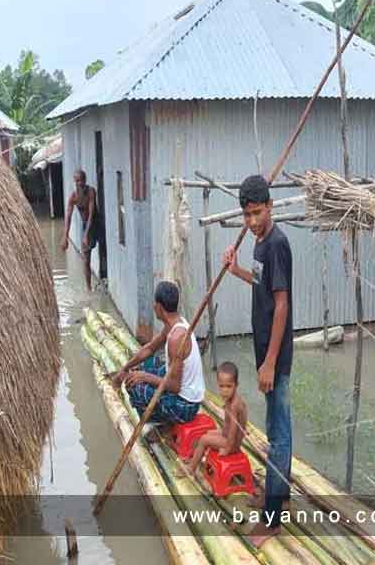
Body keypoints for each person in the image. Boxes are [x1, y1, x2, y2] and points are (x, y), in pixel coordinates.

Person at [221, 174, 293, 548]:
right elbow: (263, 285)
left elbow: (281, 305)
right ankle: (275, 497)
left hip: (275, 356)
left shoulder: (277, 244)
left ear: (270, 206)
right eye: (246, 215)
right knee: (275, 427)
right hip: (265, 348)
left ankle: (274, 518)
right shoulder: (260, 244)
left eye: (257, 213)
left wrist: (268, 363)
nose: (250, 222)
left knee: (279, 437)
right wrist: (236, 271)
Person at [111, 281, 204, 429]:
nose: (153, 307)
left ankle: (160, 423)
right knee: (147, 364)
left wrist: (144, 377)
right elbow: (149, 349)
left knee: (134, 386)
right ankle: (161, 417)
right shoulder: (173, 325)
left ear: (159, 307)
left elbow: (175, 386)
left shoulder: (176, 338)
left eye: (155, 304)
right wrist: (125, 368)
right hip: (180, 388)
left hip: (185, 405)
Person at [177, 362, 247, 481]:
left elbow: (234, 430)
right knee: (207, 434)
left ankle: (191, 468)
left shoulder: (235, 404)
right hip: (227, 435)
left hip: (232, 442)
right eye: (221, 386)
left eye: (228, 386)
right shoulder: (230, 400)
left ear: (236, 385)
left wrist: (228, 448)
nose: (225, 390)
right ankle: (195, 458)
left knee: (204, 440)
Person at [61, 170, 97, 290]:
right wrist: (65, 237)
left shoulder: (91, 191)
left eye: (81, 180)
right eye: (76, 181)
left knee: (101, 247)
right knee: (86, 259)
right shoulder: (74, 197)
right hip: (85, 224)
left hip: (96, 223)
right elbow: (68, 217)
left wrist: (86, 234)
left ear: (85, 180)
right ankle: (89, 289)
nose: (79, 183)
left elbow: (91, 214)